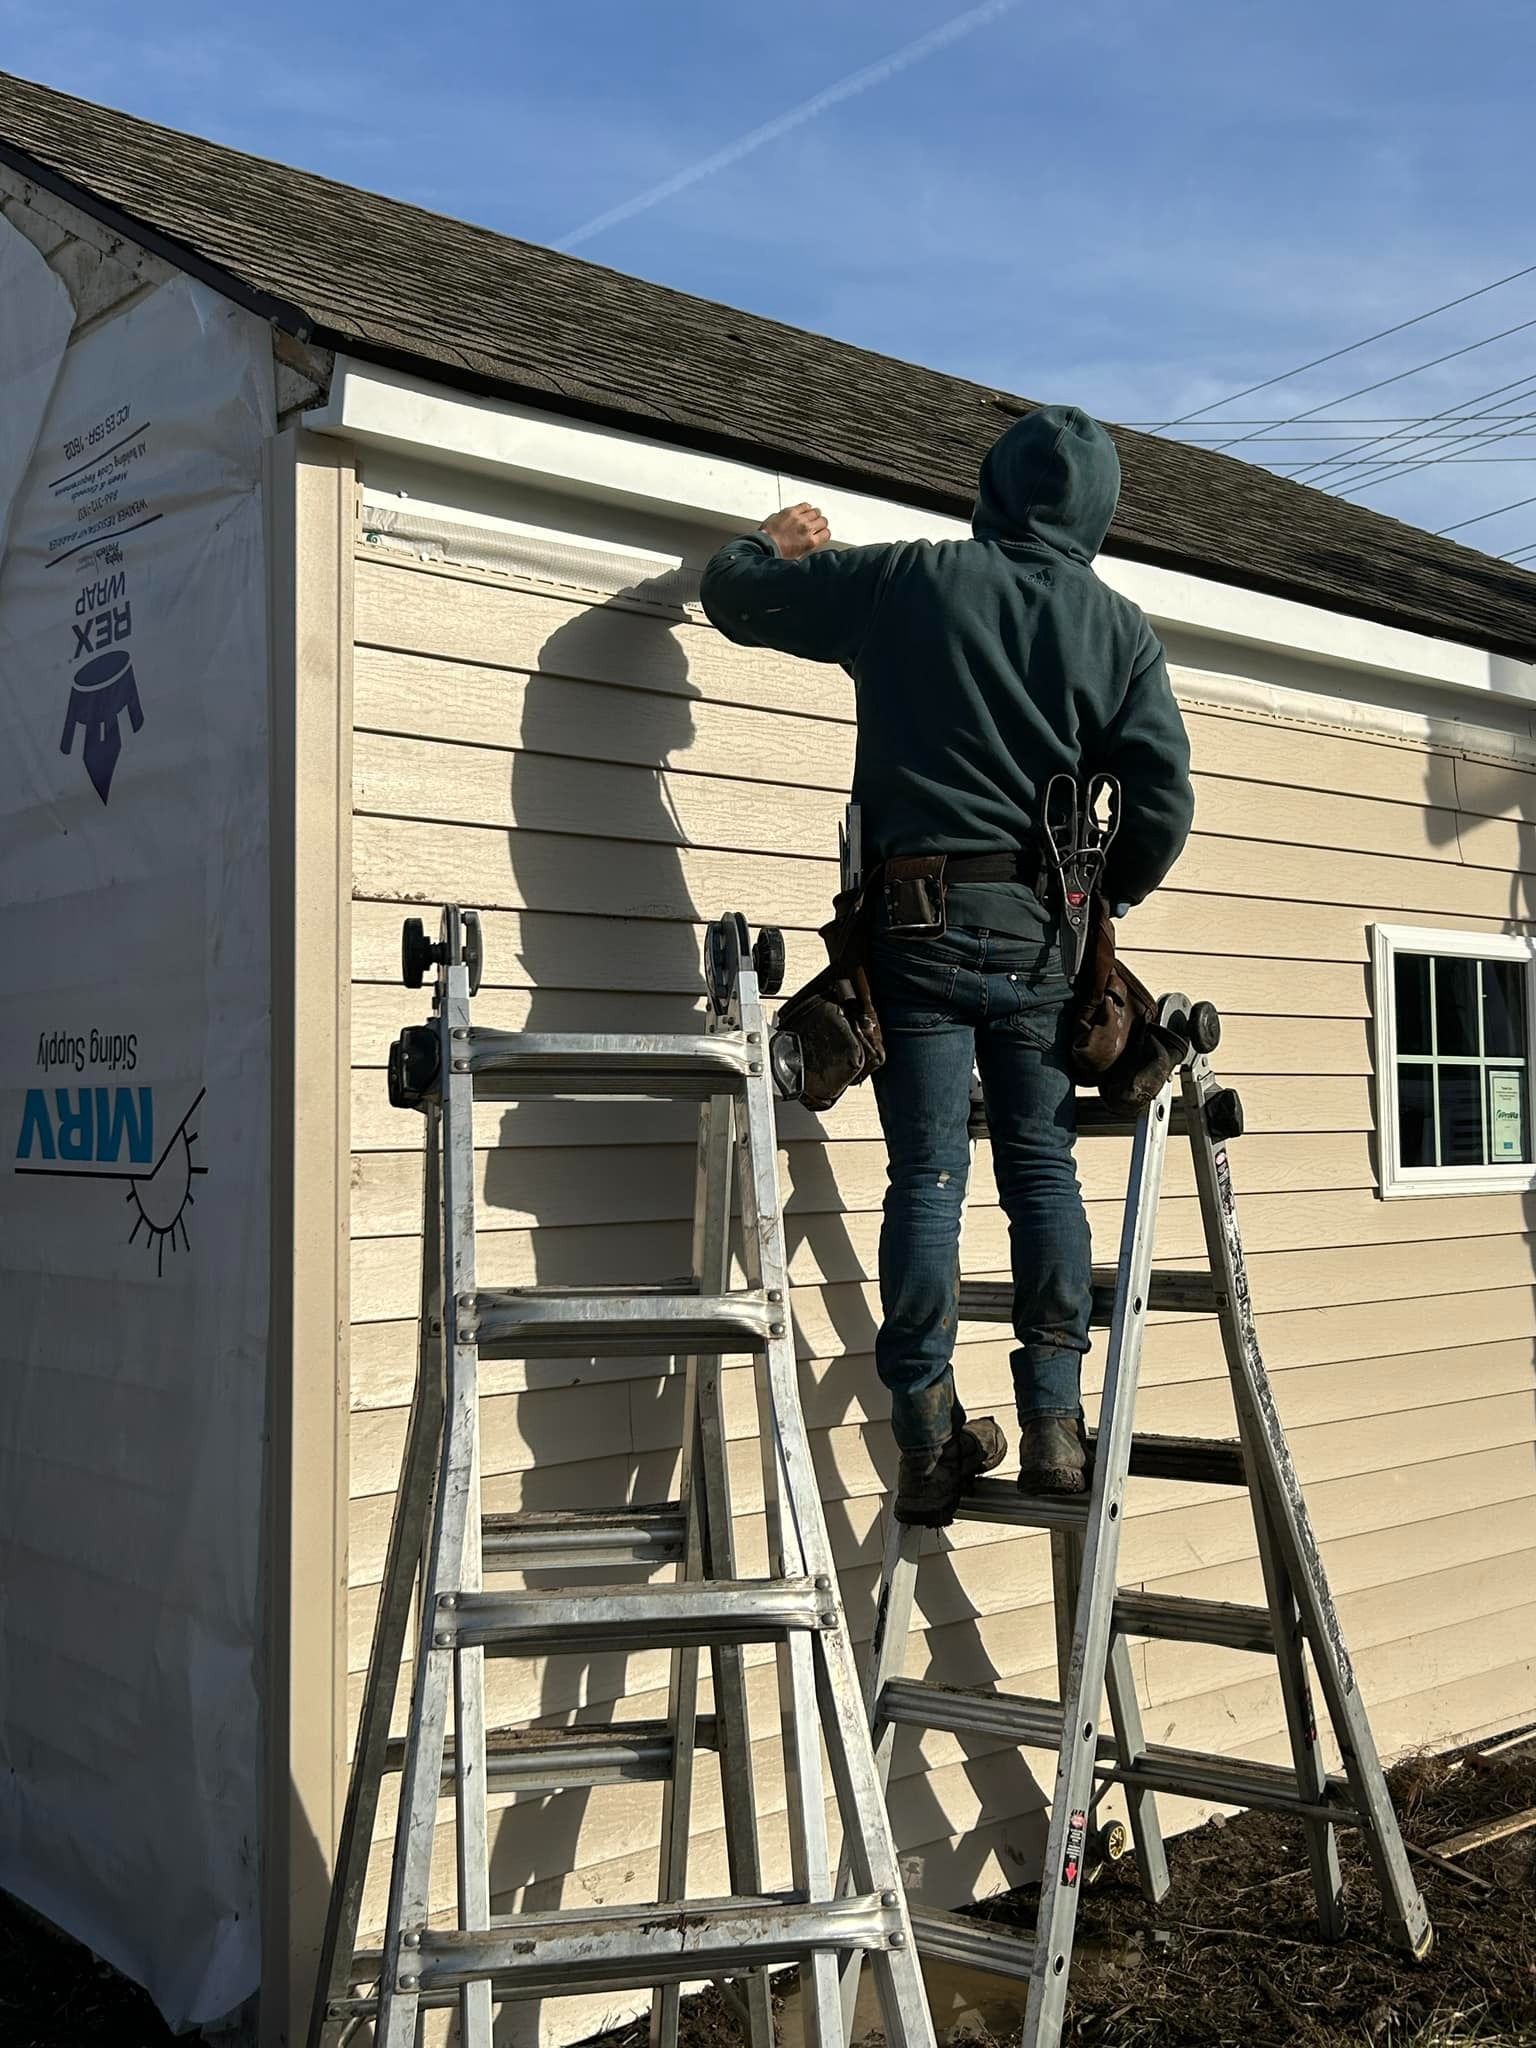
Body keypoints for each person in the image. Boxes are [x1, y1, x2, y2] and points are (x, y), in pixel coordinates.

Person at [700, 404, 1194, 1527]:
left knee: (926, 1177)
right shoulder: (1119, 630)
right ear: (1098, 516)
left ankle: (927, 1433)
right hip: (1041, 934)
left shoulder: (910, 581)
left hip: (913, 927)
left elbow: (733, 597)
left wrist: (773, 543)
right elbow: (1163, 801)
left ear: (993, 488)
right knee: (1043, 1171)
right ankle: (1058, 1424)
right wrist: (1102, 894)